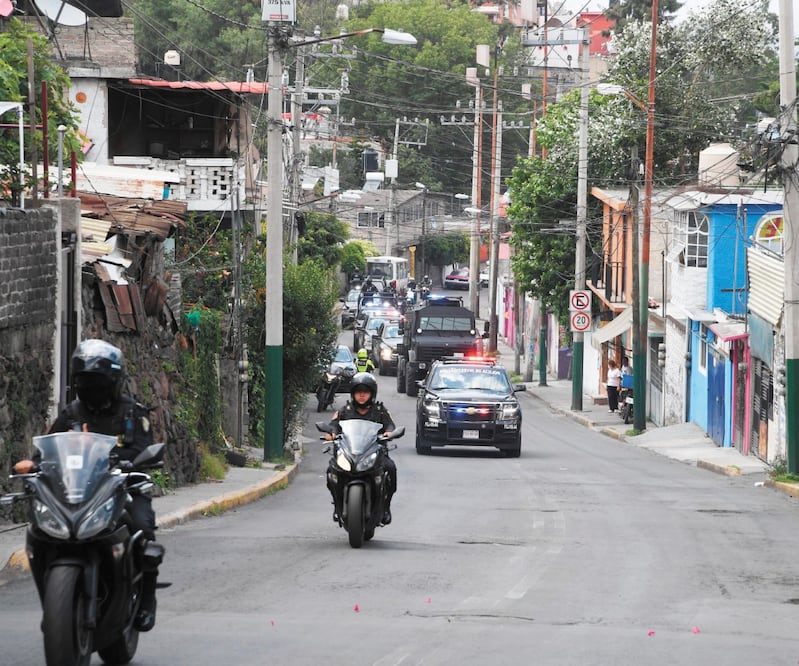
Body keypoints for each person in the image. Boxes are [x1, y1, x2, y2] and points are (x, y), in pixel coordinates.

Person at [16, 339, 161, 632]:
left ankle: (146, 599)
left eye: (98, 381)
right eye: (85, 381)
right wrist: (33, 464)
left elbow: (144, 450)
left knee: (144, 528)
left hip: (122, 486)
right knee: (39, 533)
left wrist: (129, 461)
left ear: (114, 381)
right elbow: (48, 449)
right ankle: (54, 604)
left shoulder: (133, 413)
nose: (91, 388)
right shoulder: (71, 414)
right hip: (76, 490)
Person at [326, 372, 397, 524]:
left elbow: (390, 425)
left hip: (373, 452)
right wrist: (331, 433)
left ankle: (386, 507)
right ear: (353, 394)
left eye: (365, 392)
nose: (362, 395)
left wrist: (388, 433)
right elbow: (334, 425)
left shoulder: (379, 411)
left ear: (372, 393)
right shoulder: (345, 410)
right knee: (331, 471)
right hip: (349, 452)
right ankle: (337, 505)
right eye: (358, 392)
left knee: (390, 468)